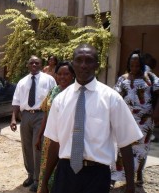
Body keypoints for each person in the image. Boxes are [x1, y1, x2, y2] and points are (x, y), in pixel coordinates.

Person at [41, 44, 143, 193]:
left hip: (97, 175)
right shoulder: (60, 100)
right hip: (65, 173)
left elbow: (125, 143)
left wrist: (130, 187)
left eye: (89, 61)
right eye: (79, 60)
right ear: (73, 63)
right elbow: (55, 143)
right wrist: (44, 181)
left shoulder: (111, 98)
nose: (83, 65)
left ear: (97, 64)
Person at [111, 50, 159, 188]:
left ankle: (138, 174)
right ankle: (115, 176)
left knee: (141, 149)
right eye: (132, 65)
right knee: (121, 147)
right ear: (129, 64)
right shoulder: (123, 78)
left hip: (145, 120)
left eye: (137, 65)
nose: (135, 68)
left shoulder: (149, 77)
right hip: (126, 118)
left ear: (142, 65)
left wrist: (156, 112)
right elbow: (115, 95)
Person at [10, 55, 56, 192]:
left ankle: (38, 179)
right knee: (26, 147)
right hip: (25, 117)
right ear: (28, 65)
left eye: (37, 63)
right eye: (31, 63)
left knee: (38, 147)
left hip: (41, 115)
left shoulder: (49, 80)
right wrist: (13, 118)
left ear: (41, 65)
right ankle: (30, 174)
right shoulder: (22, 82)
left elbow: (55, 98)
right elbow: (16, 101)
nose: (34, 65)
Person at [35, 61, 75, 193]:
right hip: (50, 140)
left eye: (66, 74)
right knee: (47, 167)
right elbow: (46, 115)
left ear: (73, 75)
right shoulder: (53, 91)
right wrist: (39, 136)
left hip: (67, 140)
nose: (62, 77)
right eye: (59, 74)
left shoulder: (77, 93)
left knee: (62, 172)